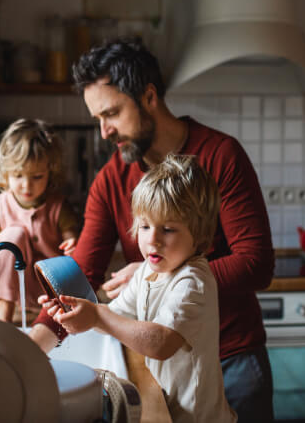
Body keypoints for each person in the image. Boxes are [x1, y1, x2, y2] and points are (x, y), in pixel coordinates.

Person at [28, 39, 274, 422]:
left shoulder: (221, 155)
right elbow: (83, 272)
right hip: (164, 370)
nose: (105, 131)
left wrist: (160, 275)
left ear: (149, 96)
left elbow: (256, 262)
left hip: (231, 360)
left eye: (112, 113)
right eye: (98, 119)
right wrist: (33, 348)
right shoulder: (113, 177)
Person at [43, 154, 237, 423]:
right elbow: (117, 318)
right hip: (169, 409)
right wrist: (78, 315)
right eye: (145, 226)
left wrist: (98, 316)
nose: (152, 240)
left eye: (168, 229)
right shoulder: (147, 270)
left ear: (199, 234)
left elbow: (160, 343)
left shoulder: (192, 281)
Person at [0, 118, 79, 322]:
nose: (26, 186)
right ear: (6, 172)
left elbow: (73, 246)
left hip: (52, 289)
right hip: (12, 289)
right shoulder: (0, 205)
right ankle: (4, 310)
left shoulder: (58, 206)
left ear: (51, 171)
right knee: (12, 235)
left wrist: (73, 247)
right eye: (18, 176)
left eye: (37, 177)